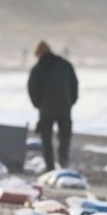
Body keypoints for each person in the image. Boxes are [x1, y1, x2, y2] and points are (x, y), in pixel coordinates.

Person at [26, 41, 78, 171]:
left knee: (46, 139)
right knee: (64, 137)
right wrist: (71, 101)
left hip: (46, 109)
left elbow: (32, 89)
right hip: (64, 107)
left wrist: (37, 104)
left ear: (38, 54)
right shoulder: (66, 65)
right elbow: (74, 85)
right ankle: (63, 162)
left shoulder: (37, 69)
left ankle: (50, 166)